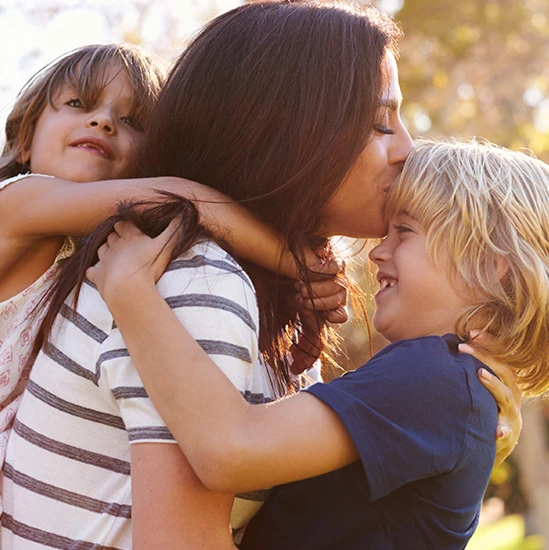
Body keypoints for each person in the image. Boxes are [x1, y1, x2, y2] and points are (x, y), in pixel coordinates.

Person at [2, 2, 520, 548]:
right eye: (377, 123)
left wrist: (450, 427)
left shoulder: (261, 302)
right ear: (283, 130)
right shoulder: (193, 281)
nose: (407, 150)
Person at [89, 138, 546, 549]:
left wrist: (130, 291)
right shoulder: (453, 386)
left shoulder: (435, 374)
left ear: (490, 266)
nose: (377, 252)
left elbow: (230, 449)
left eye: (405, 231)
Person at [0, 41, 327, 485]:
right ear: (24, 135)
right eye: (78, 103)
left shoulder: (100, 252)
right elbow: (182, 198)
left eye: (131, 121)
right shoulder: (18, 201)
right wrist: (302, 265)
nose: (102, 121)